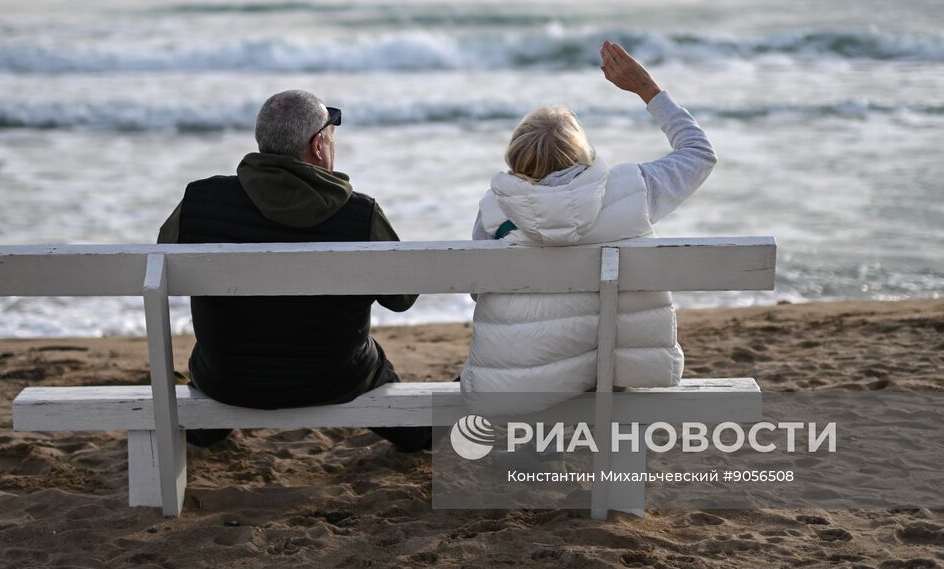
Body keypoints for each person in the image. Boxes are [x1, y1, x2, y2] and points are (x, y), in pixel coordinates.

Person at [158, 89, 431, 452]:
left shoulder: (201, 202)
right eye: (332, 132)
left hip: (227, 379)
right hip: (336, 379)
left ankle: (206, 430)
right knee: (371, 364)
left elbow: (164, 265)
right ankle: (416, 436)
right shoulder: (359, 215)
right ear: (318, 145)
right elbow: (402, 298)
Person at [459, 40, 717, 399]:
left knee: (535, 355)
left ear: (515, 159)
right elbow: (700, 153)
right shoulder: (632, 190)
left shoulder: (494, 210)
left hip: (525, 378)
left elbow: (478, 290)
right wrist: (648, 90)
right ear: (581, 154)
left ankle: (539, 448)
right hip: (619, 369)